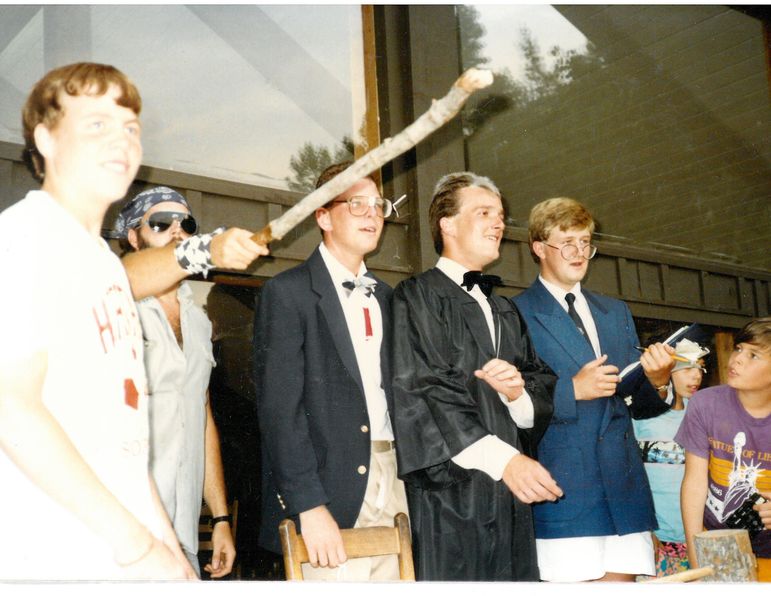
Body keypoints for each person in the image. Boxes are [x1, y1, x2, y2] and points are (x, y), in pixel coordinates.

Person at [0, 62, 197, 579]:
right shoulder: (23, 238)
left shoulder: (106, 265)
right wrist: (134, 544)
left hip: (123, 556)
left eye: (130, 128)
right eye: (96, 125)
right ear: (46, 138)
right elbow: (11, 407)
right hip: (50, 557)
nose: (122, 141)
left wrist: (168, 548)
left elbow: (123, 432)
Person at [391, 172, 560, 581]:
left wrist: (518, 394)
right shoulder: (416, 297)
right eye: (484, 212)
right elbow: (424, 387)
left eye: (500, 215)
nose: (498, 223)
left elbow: (539, 383)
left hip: (508, 494)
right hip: (451, 493)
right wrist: (506, 462)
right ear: (447, 224)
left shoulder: (505, 309)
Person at [253, 162, 409, 580]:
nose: (373, 214)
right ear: (322, 215)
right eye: (357, 204)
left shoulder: (389, 298)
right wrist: (309, 506)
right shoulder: (287, 293)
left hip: (393, 480)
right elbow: (279, 412)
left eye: (379, 205)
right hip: (329, 492)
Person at [512, 197, 677, 582]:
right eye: (567, 242)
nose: (579, 252)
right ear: (539, 248)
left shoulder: (615, 311)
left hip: (624, 488)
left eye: (585, 242)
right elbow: (508, 403)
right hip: (564, 487)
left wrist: (657, 380)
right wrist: (572, 390)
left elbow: (637, 407)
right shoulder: (514, 312)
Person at [115, 186, 236, 578]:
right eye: (161, 223)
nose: (177, 230)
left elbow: (201, 415)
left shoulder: (199, 320)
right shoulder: (116, 306)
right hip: (127, 526)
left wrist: (219, 518)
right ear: (133, 237)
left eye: (187, 223)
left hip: (184, 527)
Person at [676, 317, 771, 582]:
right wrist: (697, 562)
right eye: (739, 348)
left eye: (754, 355)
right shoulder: (705, 404)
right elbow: (694, 482)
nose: (737, 358)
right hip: (718, 541)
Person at [633, 338, 709, 577]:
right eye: (687, 368)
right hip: (656, 537)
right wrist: (644, 530)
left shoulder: (702, 414)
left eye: (700, 367)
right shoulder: (640, 417)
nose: (696, 376)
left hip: (699, 535)